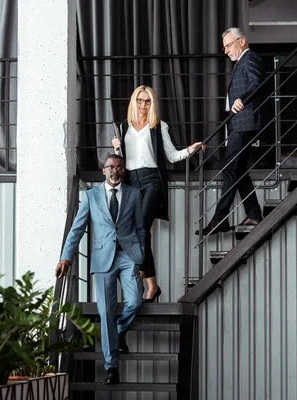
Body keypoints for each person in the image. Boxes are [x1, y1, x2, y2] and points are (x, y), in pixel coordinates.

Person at [55, 154, 145, 385]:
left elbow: (140, 228)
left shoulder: (134, 194)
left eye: (119, 167)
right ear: (104, 170)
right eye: (110, 167)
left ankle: (116, 331)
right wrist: (66, 257)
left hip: (128, 255)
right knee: (105, 312)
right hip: (103, 258)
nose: (115, 171)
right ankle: (111, 365)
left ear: (123, 171)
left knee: (135, 301)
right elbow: (76, 229)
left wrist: (141, 257)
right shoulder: (91, 196)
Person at [112, 85, 204, 302]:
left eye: (148, 101)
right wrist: (117, 149)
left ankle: (142, 275)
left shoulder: (158, 126)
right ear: (134, 102)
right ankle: (152, 285)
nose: (144, 105)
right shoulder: (124, 127)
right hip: (131, 181)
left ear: (152, 104)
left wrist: (191, 149)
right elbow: (122, 161)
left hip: (152, 180)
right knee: (141, 232)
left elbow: (171, 156)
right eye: (140, 100)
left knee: (140, 227)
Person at [196, 27, 264, 235]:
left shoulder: (249, 58)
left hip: (245, 122)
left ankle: (220, 219)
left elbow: (257, 83)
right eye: (224, 47)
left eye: (228, 45)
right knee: (238, 169)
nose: (226, 51)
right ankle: (254, 214)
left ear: (242, 41)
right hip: (239, 123)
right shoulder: (240, 62)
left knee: (229, 167)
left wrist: (241, 98)